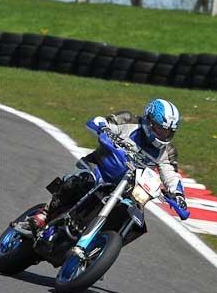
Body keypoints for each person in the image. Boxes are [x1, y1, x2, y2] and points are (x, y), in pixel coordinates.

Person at [30, 98, 189, 230]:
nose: (163, 134)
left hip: (126, 188)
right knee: (82, 181)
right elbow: (99, 121)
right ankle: (45, 213)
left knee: (134, 216)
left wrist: (178, 196)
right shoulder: (128, 120)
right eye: (160, 129)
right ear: (148, 120)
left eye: (167, 132)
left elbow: (171, 174)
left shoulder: (167, 151)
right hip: (99, 167)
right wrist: (104, 130)